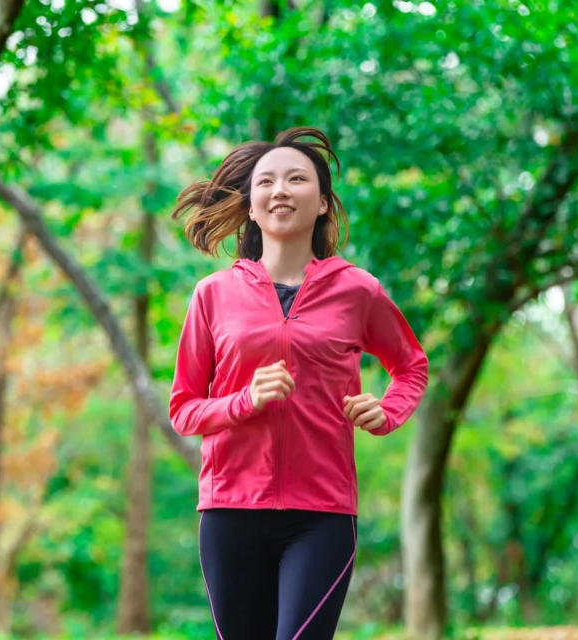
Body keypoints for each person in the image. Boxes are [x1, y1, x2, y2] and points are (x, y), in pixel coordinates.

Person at [168, 126, 429, 639]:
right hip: (230, 511)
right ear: (249, 206)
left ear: (324, 204)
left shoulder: (357, 290)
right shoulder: (213, 294)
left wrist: (388, 411)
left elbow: (411, 365)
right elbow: (184, 408)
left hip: (322, 514)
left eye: (296, 179)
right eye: (266, 181)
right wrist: (244, 400)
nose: (280, 189)